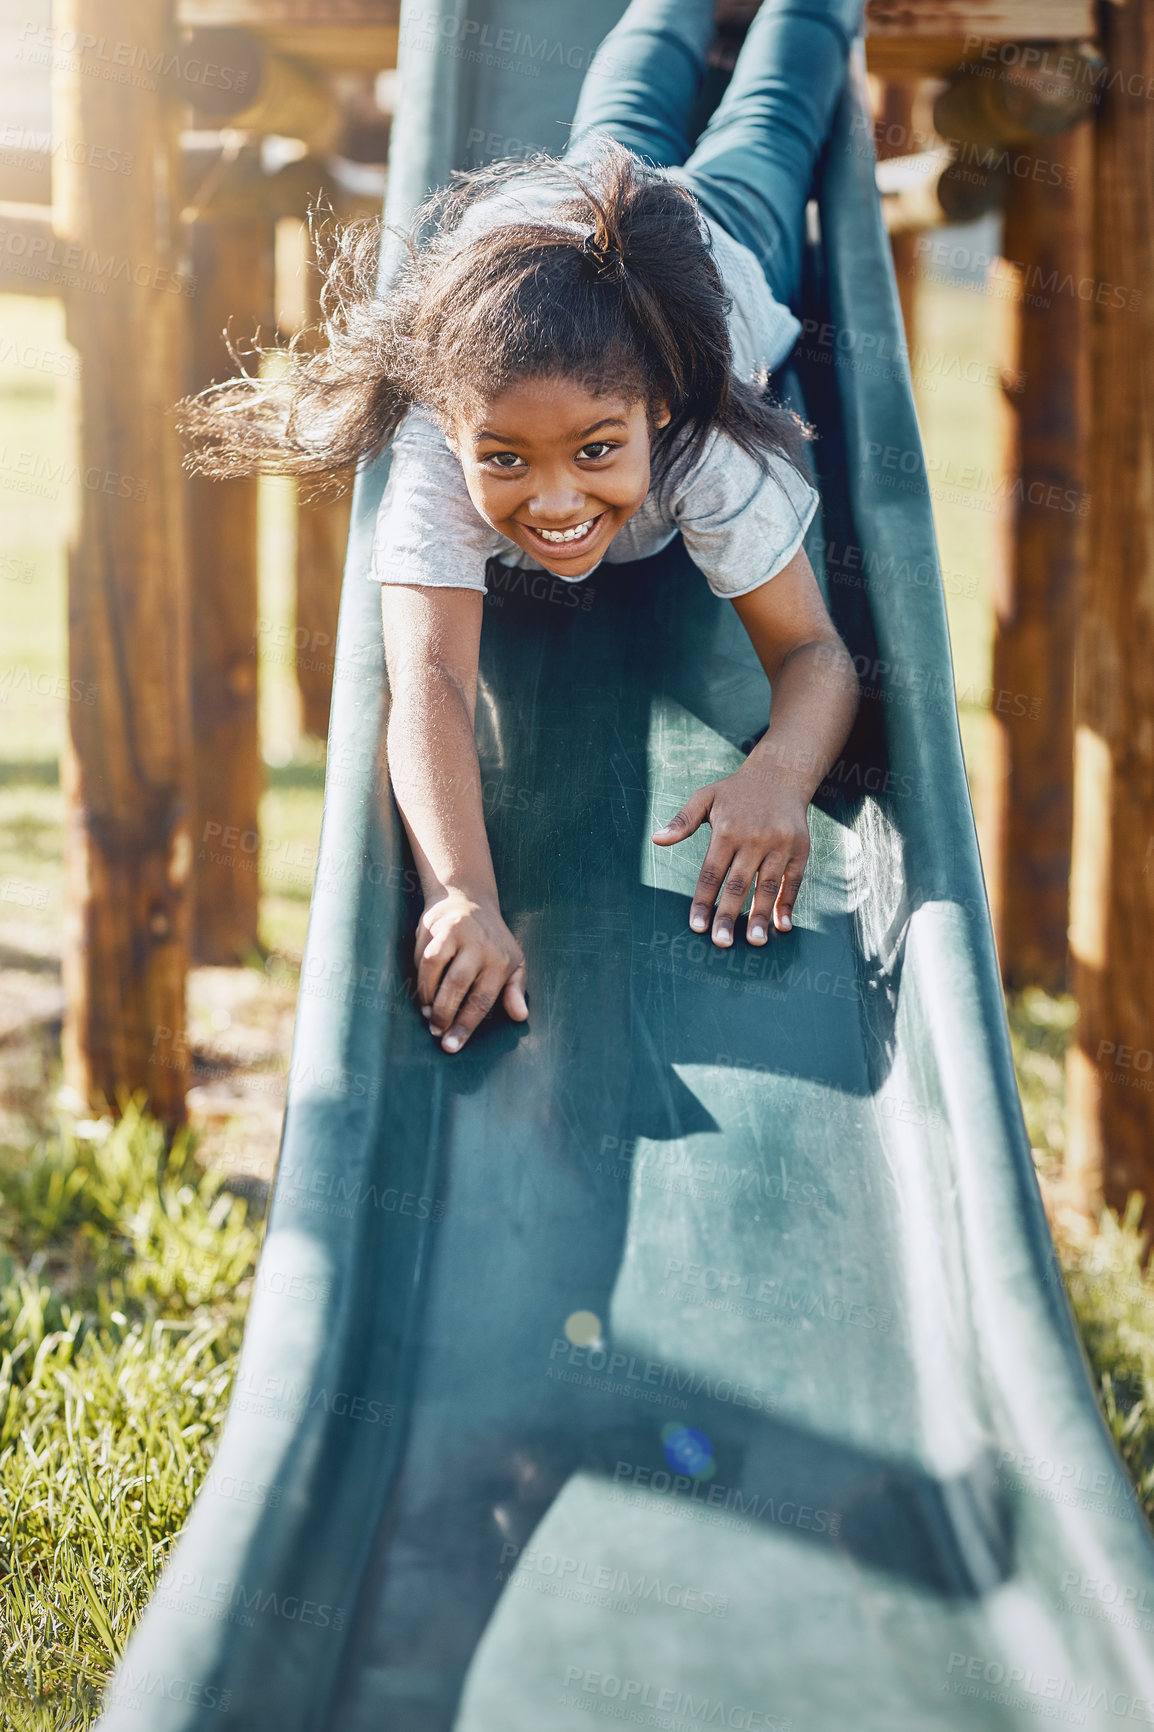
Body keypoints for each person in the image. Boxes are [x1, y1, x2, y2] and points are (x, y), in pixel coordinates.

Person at [180, 0, 866, 1055]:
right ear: (453, 430)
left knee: (771, 110)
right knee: (626, 97)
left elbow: (816, 654)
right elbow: (433, 685)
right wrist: (462, 893)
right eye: (504, 460)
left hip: (711, 232)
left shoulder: (704, 435)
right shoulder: (435, 442)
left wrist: (778, 772)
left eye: (597, 450)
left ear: (660, 410)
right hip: (562, 218)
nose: (552, 503)